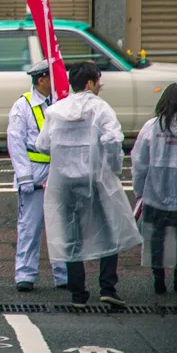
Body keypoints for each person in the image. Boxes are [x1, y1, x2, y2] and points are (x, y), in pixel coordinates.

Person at [35, 61, 142, 308]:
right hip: (95, 179)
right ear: (91, 83)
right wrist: (113, 168)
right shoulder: (100, 108)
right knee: (109, 229)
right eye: (98, 81)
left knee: (70, 234)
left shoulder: (56, 110)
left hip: (64, 182)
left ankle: (78, 294)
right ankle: (107, 287)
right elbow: (113, 139)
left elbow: (42, 145)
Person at [7, 60, 68, 292]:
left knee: (60, 225)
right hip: (34, 171)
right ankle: (25, 275)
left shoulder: (61, 101)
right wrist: (24, 177)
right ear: (42, 79)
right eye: (54, 77)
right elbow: (15, 142)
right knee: (29, 226)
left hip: (59, 169)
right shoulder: (22, 106)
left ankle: (63, 275)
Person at [129, 83, 177, 294]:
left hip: (155, 195)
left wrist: (139, 191)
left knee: (156, 238)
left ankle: (158, 277)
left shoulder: (152, 127)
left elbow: (139, 162)